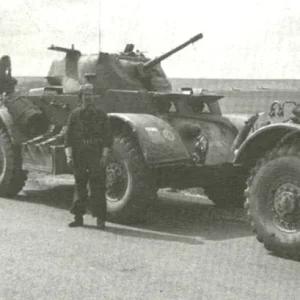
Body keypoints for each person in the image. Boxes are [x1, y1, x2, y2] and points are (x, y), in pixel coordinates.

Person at [64, 84, 113, 229]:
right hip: (79, 155)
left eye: (90, 94)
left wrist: (104, 155)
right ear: (81, 97)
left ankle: (100, 219)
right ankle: (78, 218)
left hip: (96, 154)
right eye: (85, 94)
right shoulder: (74, 115)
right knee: (80, 186)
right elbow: (69, 138)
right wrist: (69, 156)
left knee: (98, 186)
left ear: (94, 97)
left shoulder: (101, 114)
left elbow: (107, 137)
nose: (88, 97)